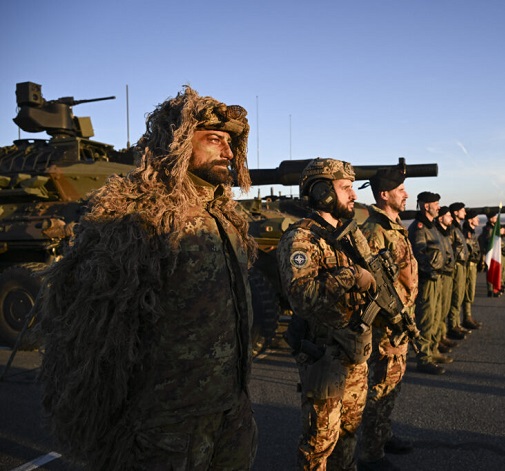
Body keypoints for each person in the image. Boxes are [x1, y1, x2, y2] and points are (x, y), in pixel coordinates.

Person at [37, 86, 258, 470]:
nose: (227, 152)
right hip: (167, 422)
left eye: (230, 143)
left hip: (230, 407)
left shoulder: (226, 216)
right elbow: (94, 337)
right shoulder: (138, 215)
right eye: (213, 140)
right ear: (177, 143)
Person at [277, 157, 375, 470]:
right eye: (346, 188)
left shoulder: (347, 236)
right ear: (322, 192)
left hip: (353, 350)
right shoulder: (301, 239)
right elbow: (303, 299)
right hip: (325, 356)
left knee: (348, 433)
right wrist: (351, 276)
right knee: (318, 444)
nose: (354, 195)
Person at [358, 168, 418, 471]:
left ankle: (382, 434)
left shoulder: (394, 227)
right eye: (401, 189)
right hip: (385, 327)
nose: (406, 194)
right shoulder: (374, 231)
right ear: (385, 194)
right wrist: (390, 319)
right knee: (380, 386)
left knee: (391, 384)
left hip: (400, 323)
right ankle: (371, 453)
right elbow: (370, 285)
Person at [408, 191, 448, 374]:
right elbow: (418, 255)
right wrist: (429, 271)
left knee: (435, 316)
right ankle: (424, 358)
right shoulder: (419, 228)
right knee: (425, 318)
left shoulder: (432, 227)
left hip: (437, 278)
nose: (439, 206)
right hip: (427, 280)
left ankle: (432, 350)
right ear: (426, 206)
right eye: (436, 203)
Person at [436, 206, 465, 343]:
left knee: (449, 302)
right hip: (442, 272)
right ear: (441, 217)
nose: (451, 219)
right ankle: (439, 337)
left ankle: (443, 334)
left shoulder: (447, 231)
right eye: (448, 216)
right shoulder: (440, 232)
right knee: (440, 307)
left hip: (450, 269)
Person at [446, 202, 472, 337]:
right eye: (462, 210)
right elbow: (450, 249)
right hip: (456, 266)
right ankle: (452, 325)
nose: (465, 213)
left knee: (460, 294)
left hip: (462, 265)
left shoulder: (457, 228)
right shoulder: (452, 229)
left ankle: (456, 324)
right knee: (455, 295)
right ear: (456, 212)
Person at [461, 210, 482, 330]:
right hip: (468, 265)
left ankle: (468, 316)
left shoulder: (471, 232)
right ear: (470, 220)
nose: (478, 220)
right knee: (467, 290)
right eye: (476, 218)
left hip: (473, 265)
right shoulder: (466, 233)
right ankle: (466, 317)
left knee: (470, 290)